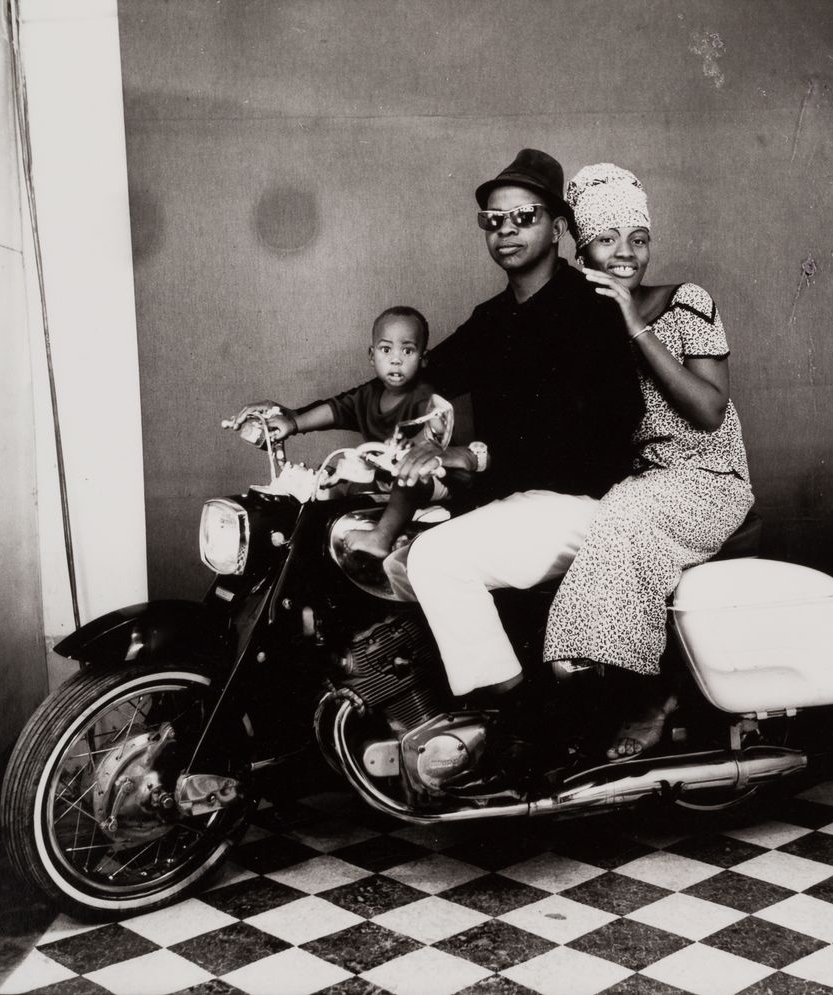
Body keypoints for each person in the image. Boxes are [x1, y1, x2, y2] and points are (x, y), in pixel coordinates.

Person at [391, 149, 642, 698]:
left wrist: (471, 455)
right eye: (493, 221)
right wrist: (297, 418)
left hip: (587, 505)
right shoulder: (492, 319)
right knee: (395, 563)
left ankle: (517, 722)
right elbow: (414, 378)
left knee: (437, 558)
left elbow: (599, 438)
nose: (506, 230)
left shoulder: (594, 309)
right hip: (514, 501)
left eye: (524, 217)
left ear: (557, 229)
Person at [541, 163, 754, 760]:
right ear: (582, 249)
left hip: (707, 479)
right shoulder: (581, 320)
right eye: (606, 240)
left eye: (638, 238)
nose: (626, 254)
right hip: (639, 482)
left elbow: (709, 410)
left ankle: (639, 692)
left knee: (625, 516)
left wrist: (635, 323)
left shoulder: (687, 302)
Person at [231, 305, 453, 558]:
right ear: (372, 355)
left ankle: (382, 537)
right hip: (383, 475)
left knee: (410, 478)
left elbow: (435, 426)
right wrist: (293, 424)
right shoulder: (369, 395)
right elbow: (334, 410)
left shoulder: (423, 397)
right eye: (386, 349)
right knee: (336, 480)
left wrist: (418, 439)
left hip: (428, 477)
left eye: (408, 350)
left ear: (423, 358)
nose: (396, 359)